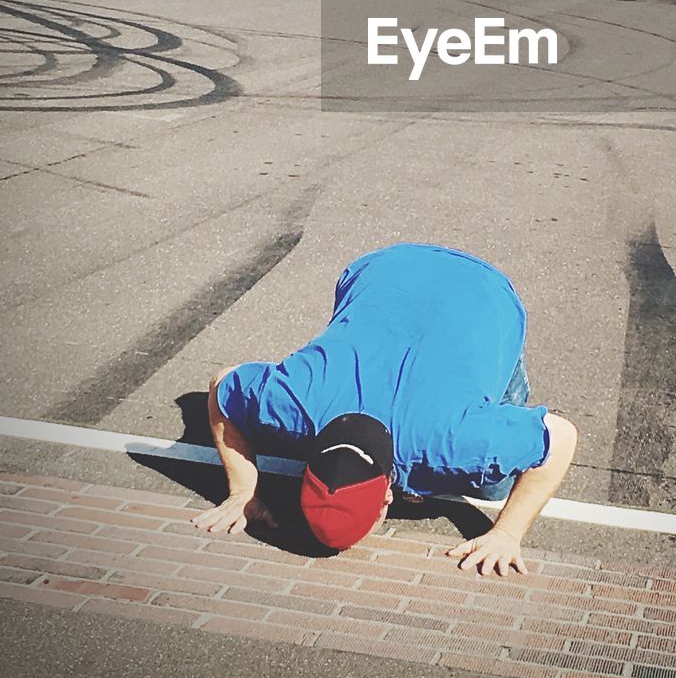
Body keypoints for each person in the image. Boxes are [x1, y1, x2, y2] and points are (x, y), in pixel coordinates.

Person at [192, 242, 577, 578]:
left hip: (485, 291)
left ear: (388, 498)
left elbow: (561, 436)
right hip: (384, 269)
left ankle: (507, 409)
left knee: (496, 487)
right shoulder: (293, 403)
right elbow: (223, 382)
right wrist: (242, 491)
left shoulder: (452, 443)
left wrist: (506, 534)